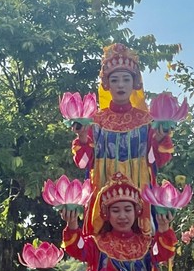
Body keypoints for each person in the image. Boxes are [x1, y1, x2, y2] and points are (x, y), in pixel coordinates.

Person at [71, 43, 174, 196]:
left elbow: (158, 161)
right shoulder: (95, 122)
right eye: (114, 80)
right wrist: (83, 138)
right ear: (107, 85)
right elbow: (84, 163)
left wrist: (158, 139)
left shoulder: (147, 121)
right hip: (103, 193)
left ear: (134, 83)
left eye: (126, 79)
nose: (120, 85)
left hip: (140, 194)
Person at [62, 172, 176, 271]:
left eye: (127, 210)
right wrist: (72, 223)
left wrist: (163, 227)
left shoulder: (147, 244)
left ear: (136, 212)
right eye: (116, 210)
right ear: (107, 214)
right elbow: (77, 249)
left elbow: (163, 253)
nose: (122, 216)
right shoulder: (96, 244)